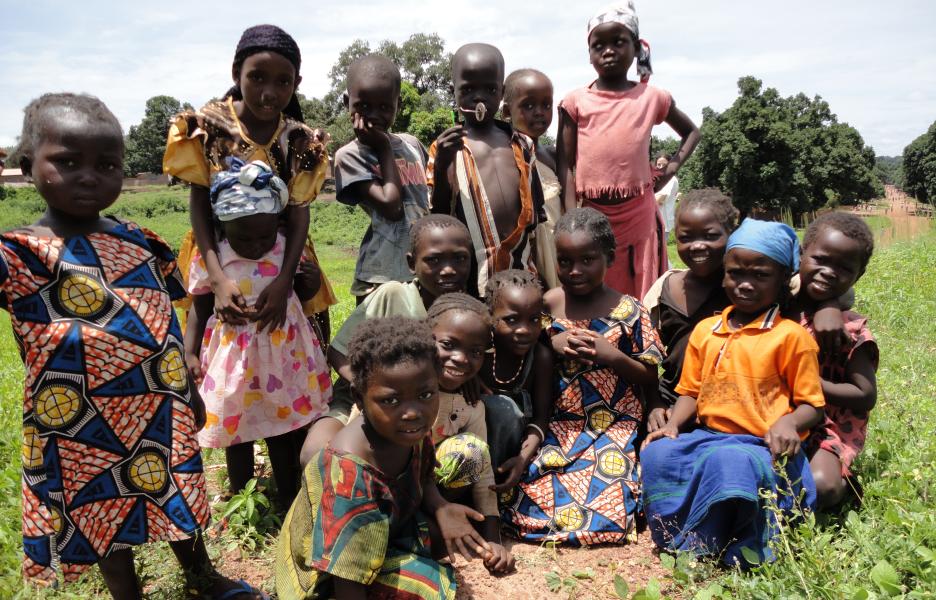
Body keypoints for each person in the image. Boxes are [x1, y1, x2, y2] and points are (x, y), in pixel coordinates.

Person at [4, 93, 262, 599]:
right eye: (67, 161)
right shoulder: (19, 255)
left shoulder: (142, 242)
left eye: (106, 164)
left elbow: (169, 315)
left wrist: (188, 378)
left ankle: (203, 579)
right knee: (100, 518)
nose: (88, 176)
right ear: (24, 164)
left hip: (156, 410)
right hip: (76, 421)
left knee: (176, 500)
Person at [641, 218, 825, 567]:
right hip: (709, 437)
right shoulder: (706, 330)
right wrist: (673, 425)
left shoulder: (791, 337)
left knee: (729, 463)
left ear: (783, 281)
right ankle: (688, 533)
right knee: (658, 454)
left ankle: (740, 545)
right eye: (735, 273)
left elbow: (812, 405)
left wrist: (789, 422)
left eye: (760, 275)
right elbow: (690, 392)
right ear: (723, 273)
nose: (745, 284)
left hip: (761, 446)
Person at [276, 317, 493, 599]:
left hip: (386, 533)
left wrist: (440, 506)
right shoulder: (350, 471)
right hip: (328, 573)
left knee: (451, 535)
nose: (413, 411)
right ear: (358, 396)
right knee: (425, 590)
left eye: (426, 394)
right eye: (390, 400)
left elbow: (424, 474)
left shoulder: (406, 429)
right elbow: (346, 578)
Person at [501, 207, 663, 545]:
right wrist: (551, 339)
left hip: (614, 425)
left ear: (610, 258)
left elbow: (649, 374)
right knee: (531, 483)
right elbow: (528, 343)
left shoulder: (630, 311)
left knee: (610, 488)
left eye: (587, 260)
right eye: (564, 261)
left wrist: (613, 356)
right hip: (562, 423)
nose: (575, 271)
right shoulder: (547, 305)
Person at [162, 24, 336, 338]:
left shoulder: (299, 140)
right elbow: (200, 201)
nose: (269, 92)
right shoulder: (207, 127)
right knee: (219, 345)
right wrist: (215, 279)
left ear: (295, 83)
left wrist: (285, 280)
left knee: (289, 344)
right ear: (236, 73)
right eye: (257, 77)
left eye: (283, 81)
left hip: (283, 259)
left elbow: (298, 211)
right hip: (217, 255)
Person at [183, 159, 332, 509]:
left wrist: (307, 284)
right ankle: (243, 501)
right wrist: (189, 353)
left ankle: (288, 496)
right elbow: (199, 308)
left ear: (277, 226)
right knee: (238, 435)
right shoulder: (215, 259)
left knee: (283, 431)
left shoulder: (284, 249)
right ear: (222, 228)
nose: (256, 244)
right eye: (245, 237)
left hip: (283, 359)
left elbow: (302, 297)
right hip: (235, 362)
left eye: (264, 235)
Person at [299, 215, 472, 463]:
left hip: (424, 406)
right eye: (433, 260)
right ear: (412, 263)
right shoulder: (393, 294)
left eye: (459, 259)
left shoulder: (465, 313)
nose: (448, 269)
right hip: (362, 398)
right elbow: (339, 351)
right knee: (314, 454)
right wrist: (367, 390)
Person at [558, 1, 700, 299]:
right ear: (589, 54)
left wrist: (671, 168)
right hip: (592, 215)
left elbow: (691, 133)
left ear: (637, 48)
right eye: (599, 45)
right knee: (594, 293)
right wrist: (572, 217)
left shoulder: (652, 97)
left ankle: (640, 343)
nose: (608, 50)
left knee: (642, 292)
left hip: (639, 216)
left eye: (618, 42)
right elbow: (566, 165)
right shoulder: (575, 102)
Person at [427, 43, 545, 297]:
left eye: (490, 89)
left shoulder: (523, 145)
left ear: (501, 92)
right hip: (470, 280)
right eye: (468, 90)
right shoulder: (444, 147)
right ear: (453, 91)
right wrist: (444, 164)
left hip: (521, 272)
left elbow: (536, 215)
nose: (479, 99)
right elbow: (438, 213)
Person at [426, 293, 514, 573]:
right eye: (449, 345)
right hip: (396, 489)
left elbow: (482, 469)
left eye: (475, 352)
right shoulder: (406, 391)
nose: (461, 359)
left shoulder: (470, 404)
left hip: (439, 490)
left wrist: (493, 540)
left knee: (471, 450)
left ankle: (447, 517)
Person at [794, 213, 878, 508]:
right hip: (772, 415)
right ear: (801, 254)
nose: (829, 272)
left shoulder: (849, 331)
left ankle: (844, 481)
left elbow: (866, 395)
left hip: (826, 426)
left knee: (821, 487)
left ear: (859, 275)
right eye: (820, 259)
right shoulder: (777, 305)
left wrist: (812, 386)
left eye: (843, 268)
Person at [334, 55, 431, 303]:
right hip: (380, 277)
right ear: (348, 102)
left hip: (424, 271)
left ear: (397, 104)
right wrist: (384, 147)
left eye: (385, 107)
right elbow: (392, 206)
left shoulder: (412, 145)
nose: (374, 115)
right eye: (364, 106)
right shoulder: (350, 156)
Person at [642, 188, 738, 420]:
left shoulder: (742, 290)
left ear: (731, 234)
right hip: (671, 400)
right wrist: (654, 402)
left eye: (710, 236)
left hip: (730, 405)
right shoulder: (663, 288)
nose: (697, 245)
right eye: (686, 238)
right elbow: (646, 356)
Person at [477, 270, 554, 490]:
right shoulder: (477, 352)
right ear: (490, 316)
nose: (524, 330)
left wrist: (521, 460)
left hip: (511, 454)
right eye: (511, 320)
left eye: (534, 319)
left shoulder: (540, 357)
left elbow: (541, 418)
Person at [503, 69, 561, 289]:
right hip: (525, 257)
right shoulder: (505, 157)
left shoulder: (552, 156)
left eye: (546, 105)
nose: (539, 113)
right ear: (507, 111)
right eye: (528, 106)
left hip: (556, 253)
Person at [653, 152, 679, 240]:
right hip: (654, 222)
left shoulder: (670, 179)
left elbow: (660, 198)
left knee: (658, 252)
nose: (661, 167)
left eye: (664, 164)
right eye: (658, 164)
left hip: (662, 223)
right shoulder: (657, 180)